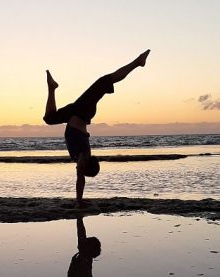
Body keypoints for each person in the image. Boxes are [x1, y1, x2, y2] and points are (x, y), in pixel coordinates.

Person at [43, 50, 151, 208]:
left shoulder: (80, 156)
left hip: (75, 113)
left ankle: (52, 88)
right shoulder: (83, 155)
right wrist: (79, 200)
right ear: (86, 165)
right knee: (104, 81)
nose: (79, 169)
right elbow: (80, 178)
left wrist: (79, 198)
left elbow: (81, 176)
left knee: (50, 118)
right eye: (82, 169)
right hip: (82, 111)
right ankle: (137, 62)